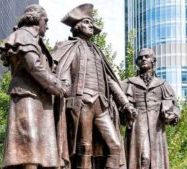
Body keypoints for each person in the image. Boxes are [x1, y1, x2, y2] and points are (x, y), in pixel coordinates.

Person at [52, 3, 137, 169]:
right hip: (82, 102)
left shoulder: (98, 51)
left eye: (91, 23)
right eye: (86, 22)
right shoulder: (67, 46)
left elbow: (111, 81)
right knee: (85, 148)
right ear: (77, 26)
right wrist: (65, 86)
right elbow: (61, 71)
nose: (90, 26)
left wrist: (125, 104)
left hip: (101, 104)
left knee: (115, 146)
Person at [0, 4, 67, 169]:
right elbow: (35, 68)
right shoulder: (23, 37)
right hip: (27, 96)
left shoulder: (35, 41)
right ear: (37, 19)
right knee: (29, 146)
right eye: (46, 21)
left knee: (38, 148)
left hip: (39, 99)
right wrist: (58, 87)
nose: (47, 26)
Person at [121, 48, 181, 169]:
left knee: (155, 161)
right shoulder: (129, 83)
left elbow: (176, 106)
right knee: (144, 158)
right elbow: (116, 100)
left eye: (147, 56)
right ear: (137, 63)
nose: (143, 59)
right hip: (137, 127)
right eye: (140, 57)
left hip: (156, 128)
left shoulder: (162, 84)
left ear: (153, 61)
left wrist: (173, 115)